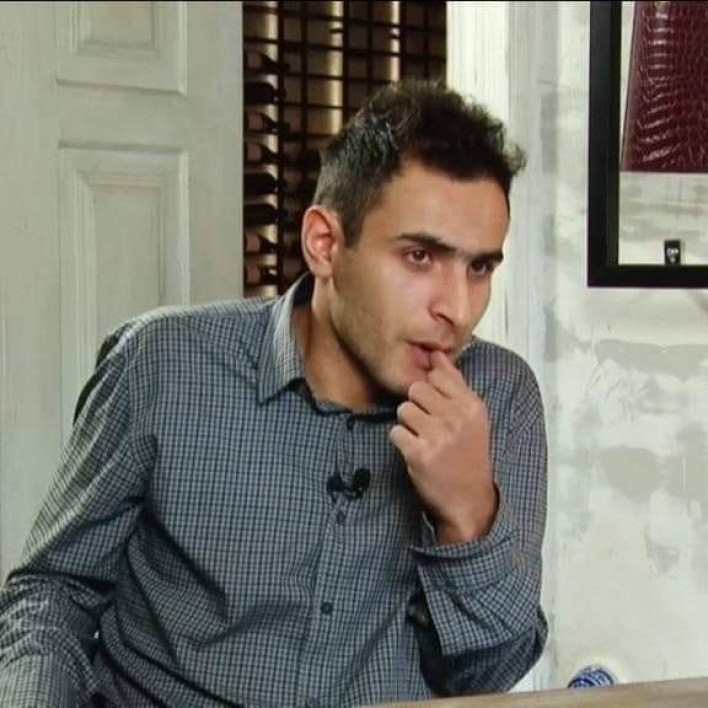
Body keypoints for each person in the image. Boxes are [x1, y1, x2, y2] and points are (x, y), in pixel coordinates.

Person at [0, 79, 547, 707]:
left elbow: (486, 679)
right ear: (325, 244)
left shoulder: (499, 398)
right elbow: (53, 594)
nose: (458, 308)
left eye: (479, 267)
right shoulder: (164, 363)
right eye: (420, 256)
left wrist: (467, 515)